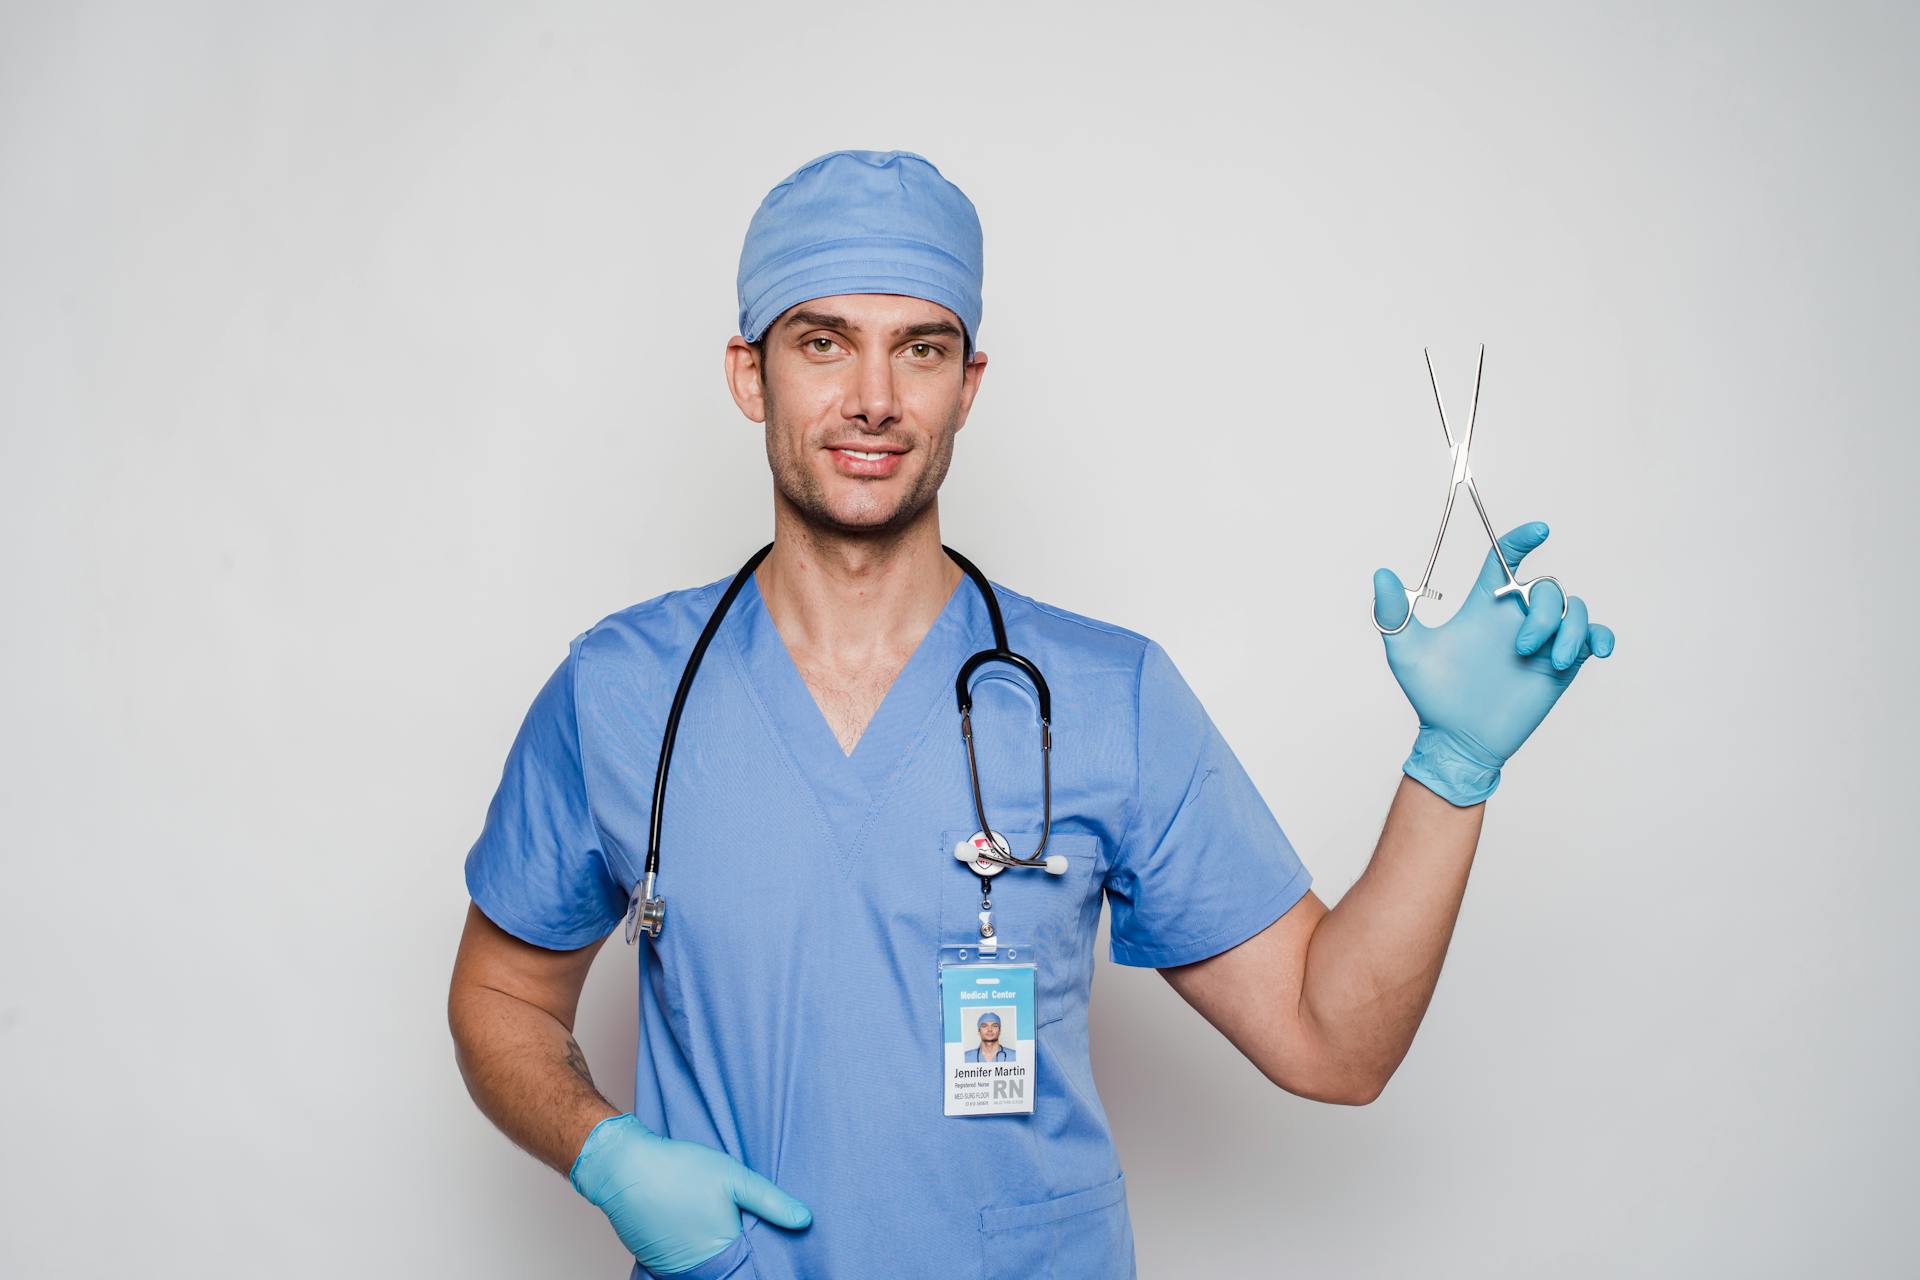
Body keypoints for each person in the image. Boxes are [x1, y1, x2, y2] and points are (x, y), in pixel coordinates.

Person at [446, 149, 1616, 1279]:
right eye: (823, 343)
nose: (872, 398)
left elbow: (1334, 1039)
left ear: (969, 382)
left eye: (921, 348)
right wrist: (602, 1150)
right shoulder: (620, 691)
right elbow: (500, 992)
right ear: (752, 373)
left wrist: (1451, 765)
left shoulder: (1109, 699)